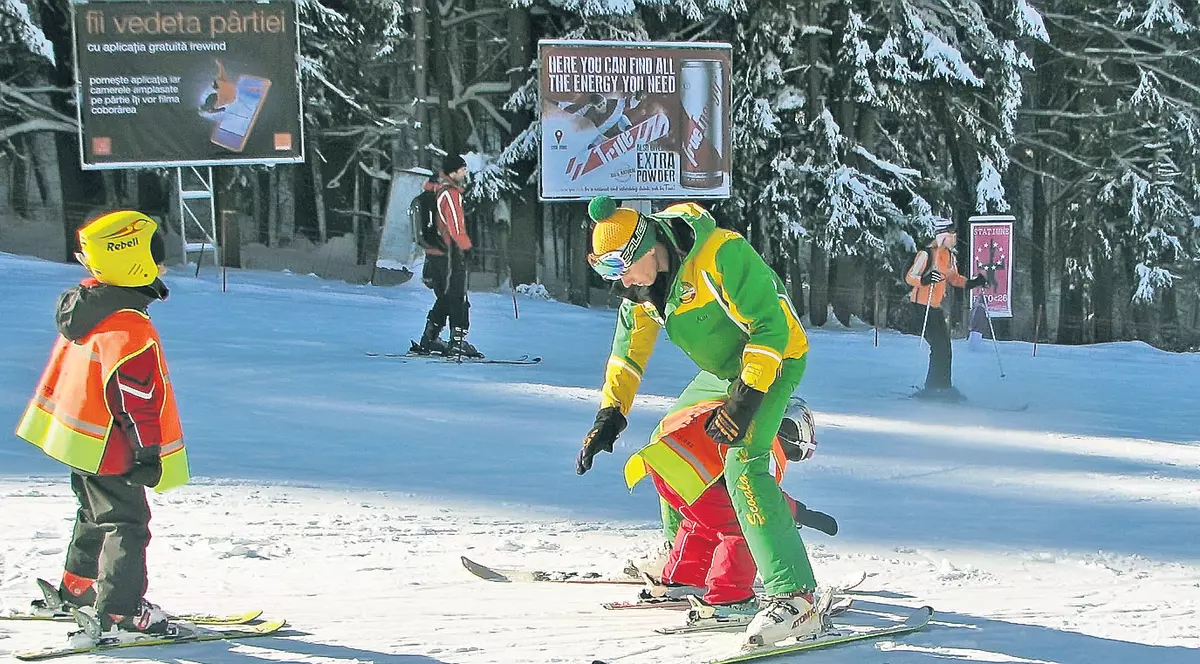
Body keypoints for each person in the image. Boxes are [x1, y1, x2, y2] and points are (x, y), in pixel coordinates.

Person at [574, 196, 824, 647]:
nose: (620, 282)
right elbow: (627, 354)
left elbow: (771, 327)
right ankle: (688, 566)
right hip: (724, 370)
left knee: (744, 464)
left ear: (647, 248)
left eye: (620, 268)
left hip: (776, 359)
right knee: (667, 442)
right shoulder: (643, 287)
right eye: (606, 272)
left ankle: (795, 598)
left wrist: (745, 400)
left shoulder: (721, 253)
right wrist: (610, 415)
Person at [14, 210, 190, 641]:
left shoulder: (90, 308)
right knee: (126, 524)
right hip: (113, 448)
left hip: (81, 442)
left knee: (95, 514)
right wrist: (148, 454)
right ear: (136, 263)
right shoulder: (129, 329)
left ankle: (78, 588)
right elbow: (137, 400)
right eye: (156, 257)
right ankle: (120, 612)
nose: (163, 265)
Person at [904, 217, 989, 400]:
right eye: (952, 234)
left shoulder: (949, 256)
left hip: (935, 307)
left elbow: (954, 278)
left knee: (945, 348)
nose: (955, 238)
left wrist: (974, 282)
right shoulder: (926, 254)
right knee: (939, 346)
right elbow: (910, 277)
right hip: (921, 306)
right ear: (942, 235)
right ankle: (933, 388)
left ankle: (942, 387)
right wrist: (925, 280)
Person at [414, 153, 481, 357]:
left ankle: (430, 337)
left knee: (445, 295)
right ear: (454, 171)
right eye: (462, 170)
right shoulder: (450, 193)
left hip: (434, 251)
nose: (465, 173)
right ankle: (458, 341)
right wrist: (466, 248)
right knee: (458, 296)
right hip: (449, 252)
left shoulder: (435, 188)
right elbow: (455, 226)